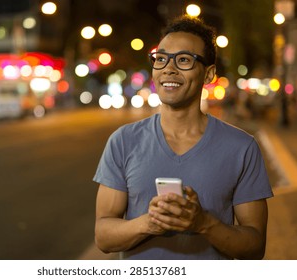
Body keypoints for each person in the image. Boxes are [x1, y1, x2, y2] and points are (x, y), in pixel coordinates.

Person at [93, 15, 273, 260]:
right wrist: (149, 223)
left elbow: (255, 246)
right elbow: (103, 236)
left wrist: (203, 223)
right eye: (161, 58)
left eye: (184, 60)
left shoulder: (242, 148)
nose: (169, 68)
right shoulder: (123, 141)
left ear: (208, 74)